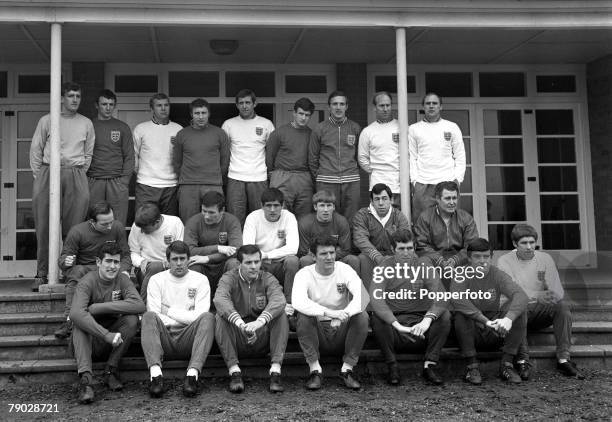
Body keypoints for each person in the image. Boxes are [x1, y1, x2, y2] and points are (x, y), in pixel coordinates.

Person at [30, 81, 95, 289]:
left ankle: (69, 273)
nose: (75, 100)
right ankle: (42, 273)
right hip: (49, 171)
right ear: (61, 98)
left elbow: (89, 153)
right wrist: (40, 175)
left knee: (74, 228)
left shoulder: (86, 123)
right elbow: (36, 150)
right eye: (71, 96)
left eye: (78, 96)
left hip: (75, 173)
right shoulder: (48, 120)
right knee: (44, 226)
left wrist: (77, 173)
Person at [497, 224, 584, 380]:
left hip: (537, 312)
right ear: (514, 244)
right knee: (519, 306)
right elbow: (512, 292)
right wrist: (537, 295)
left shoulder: (545, 258)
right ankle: (523, 360)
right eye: (524, 243)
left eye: (532, 242)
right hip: (512, 313)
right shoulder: (504, 261)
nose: (529, 247)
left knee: (562, 306)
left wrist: (550, 295)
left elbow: (557, 291)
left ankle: (564, 359)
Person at [369, 229, 451, 386]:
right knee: (376, 317)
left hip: (421, 325)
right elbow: (376, 299)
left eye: (409, 248)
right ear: (393, 249)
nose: (406, 253)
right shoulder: (384, 266)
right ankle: (392, 366)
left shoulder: (423, 263)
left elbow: (441, 296)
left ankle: (430, 365)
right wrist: (396, 324)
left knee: (445, 315)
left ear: (414, 248)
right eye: (401, 249)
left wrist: (427, 320)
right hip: (395, 325)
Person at [69, 243, 145, 404]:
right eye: (108, 261)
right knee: (79, 325)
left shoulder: (122, 279)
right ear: (98, 262)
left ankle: (111, 370)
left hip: (114, 340)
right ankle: (86, 381)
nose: (112, 266)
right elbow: (75, 313)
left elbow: (139, 305)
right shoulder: (87, 281)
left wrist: (98, 307)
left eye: (116, 262)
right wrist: (106, 335)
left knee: (131, 320)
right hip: (89, 342)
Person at [292, 236, 370, 391]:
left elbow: (363, 297)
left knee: (362, 316)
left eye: (332, 253)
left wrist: (343, 315)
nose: (329, 257)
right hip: (317, 329)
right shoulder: (303, 274)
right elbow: (298, 302)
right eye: (323, 254)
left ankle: (347, 369)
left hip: (341, 328)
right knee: (303, 316)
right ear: (313, 256)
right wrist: (331, 313)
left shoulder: (344, 269)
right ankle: (315, 370)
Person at [141, 240, 215, 398]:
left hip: (189, 337)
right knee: (148, 317)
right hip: (164, 337)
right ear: (168, 261)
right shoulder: (156, 280)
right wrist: (185, 318)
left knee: (208, 318)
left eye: (182, 259)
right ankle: (155, 376)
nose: (179, 263)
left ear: (189, 259)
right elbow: (154, 312)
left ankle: (192, 375)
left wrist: (169, 311)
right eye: (175, 259)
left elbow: (201, 315)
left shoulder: (200, 280)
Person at [451, 238, 529, 385]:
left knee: (519, 307)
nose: (482, 261)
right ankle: (471, 367)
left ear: (491, 258)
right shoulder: (461, 273)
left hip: (496, 330)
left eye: (486, 257)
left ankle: (507, 365)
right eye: (477, 257)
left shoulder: (497, 274)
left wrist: (508, 319)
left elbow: (521, 295)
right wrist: (485, 321)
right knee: (461, 313)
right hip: (472, 331)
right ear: (469, 258)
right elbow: (458, 300)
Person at [214, 245, 289, 393]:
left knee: (281, 315)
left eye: (257, 261)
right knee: (219, 317)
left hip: (261, 336)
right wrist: (242, 325)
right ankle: (234, 372)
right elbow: (220, 300)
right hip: (238, 336)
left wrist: (259, 323)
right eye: (248, 263)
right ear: (239, 264)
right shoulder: (229, 278)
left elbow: (279, 300)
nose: (254, 266)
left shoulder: (267, 278)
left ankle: (275, 371)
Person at [54, 202, 131, 339]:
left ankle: (126, 318)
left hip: (109, 267)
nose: (109, 226)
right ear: (92, 221)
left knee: (121, 273)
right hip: (86, 270)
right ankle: (69, 320)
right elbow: (63, 259)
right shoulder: (77, 231)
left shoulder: (117, 227)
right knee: (77, 272)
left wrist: (124, 270)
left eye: (111, 222)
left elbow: (125, 255)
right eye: (104, 224)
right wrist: (66, 261)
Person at [409, 92, 466, 221]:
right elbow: (411, 157)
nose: (431, 106)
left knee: (452, 224)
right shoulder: (413, 129)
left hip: (448, 182)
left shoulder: (452, 127)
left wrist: (457, 180)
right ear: (423, 107)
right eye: (428, 103)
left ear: (441, 107)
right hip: (423, 184)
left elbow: (460, 155)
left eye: (435, 103)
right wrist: (415, 181)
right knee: (422, 224)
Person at [222, 89, 275, 226]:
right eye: (241, 103)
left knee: (260, 218)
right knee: (235, 218)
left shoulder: (266, 124)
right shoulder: (228, 124)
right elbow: (223, 152)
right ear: (237, 105)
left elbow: (272, 151)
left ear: (255, 104)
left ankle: (258, 247)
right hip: (235, 176)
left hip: (259, 177)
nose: (244, 106)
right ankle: (238, 246)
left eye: (247, 102)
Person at [173, 98, 230, 223]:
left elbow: (225, 160)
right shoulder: (182, 134)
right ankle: (189, 244)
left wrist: (216, 176)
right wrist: (185, 177)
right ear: (191, 114)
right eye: (197, 113)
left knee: (215, 221)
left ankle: (213, 244)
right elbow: (177, 162)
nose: (200, 117)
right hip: (188, 185)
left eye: (203, 113)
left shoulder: (220, 133)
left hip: (213, 184)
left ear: (209, 114)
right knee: (188, 222)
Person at [308, 90, 361, 222]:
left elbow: (360, 155)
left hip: (351, 180)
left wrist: (352, 170)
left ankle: (347, 243)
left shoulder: (355, 127)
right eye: (335, 104)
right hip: (326, 180)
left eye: (342, 104)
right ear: (329, 107)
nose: (338, 107)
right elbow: (312, 157)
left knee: (352, 217)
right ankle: (330, 243)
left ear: (347, 107)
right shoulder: (320, 128)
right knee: (328, 218)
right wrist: (321, 174)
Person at [414, 180, 478, 288]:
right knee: (423, 262)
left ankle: (465, 299)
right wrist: (441, 261)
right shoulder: (425, 217)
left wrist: (454, 261)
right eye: (448, 198)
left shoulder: (466, 218)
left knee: (477, 260)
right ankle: (439, 299)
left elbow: (472, 246)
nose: (452, 202)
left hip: (459, 262)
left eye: (454, 198)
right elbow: (422, 246)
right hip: (435, 262)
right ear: (438, 199)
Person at [243, 188, 299, 305]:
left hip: (280, 263)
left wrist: (267, 255)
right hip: (260, 264)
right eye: (268, 206)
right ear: (262, 206)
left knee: (292, 261)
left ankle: (289, 304)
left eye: (276, 205)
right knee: (246, 262)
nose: (272, 210)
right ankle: (253, 302)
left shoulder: (289, 217)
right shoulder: (253, 217)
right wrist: (261, 257)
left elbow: (293, 248)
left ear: (282, 205)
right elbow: (248, 248)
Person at [87, 89, 134, 226]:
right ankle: (94, 248)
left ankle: (117, 247)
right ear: (97, 105)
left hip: (117, 181)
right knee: (95, 218)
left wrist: (124, 181)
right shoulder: (89, 125)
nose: (108, 108)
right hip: (94, 180)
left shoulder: (122, 127)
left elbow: (129, 156)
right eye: (104, 104)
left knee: (118, 219)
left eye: (111, 104)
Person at [352, 183, 411, 289]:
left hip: (392, 253)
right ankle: (371, 295)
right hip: (371, 254)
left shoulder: (398, 216)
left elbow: (405, 238)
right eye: (377, 199)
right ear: (371, 202)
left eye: (384, 199)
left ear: (391, 200)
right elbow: (360, 239)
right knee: (363, 258)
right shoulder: (362, 215)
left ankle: (398, 294)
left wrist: (391, 256)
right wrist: (377, 256)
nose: (381, 203)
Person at [184, 191, 242, 296]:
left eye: (211, 212)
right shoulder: (193, 222)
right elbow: (189, 250)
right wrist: (217, 248)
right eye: (204, 211)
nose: (206, 216)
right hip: (203, 266)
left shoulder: (232, 221)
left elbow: (236, 250)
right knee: (192, 264)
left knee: (234, 263)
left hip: (223, 265)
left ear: (222, 210)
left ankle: (232, 303)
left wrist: (208, 258)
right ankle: (196, 305)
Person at [265, 97, 315, 219]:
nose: (303, 118)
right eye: (301, 113)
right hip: (282, 175)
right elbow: (269, 156)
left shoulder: (312, 134)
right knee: (280, 214)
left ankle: (300, 239)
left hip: (304, 177)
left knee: (304, 216)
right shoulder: (279, 133)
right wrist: (273, 175)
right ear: (294, 113)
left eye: (307, 115)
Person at [133, 93, 182, 215]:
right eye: (159, 105)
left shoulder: (179, 129)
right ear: (152, 109)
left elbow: (184, 157)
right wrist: (139, 173)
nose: (163, 108)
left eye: (166, 105)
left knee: (168, 225)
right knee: (144, 222)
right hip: (146, 184)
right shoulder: (141, 128)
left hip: (171, 185)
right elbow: (134, 154)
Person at [128, 203, 184, 299]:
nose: (141, 231)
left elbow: (180, 249)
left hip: (170, 266)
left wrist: (171, 260)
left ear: (157, 221)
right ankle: (144, 306)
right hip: (145, 269)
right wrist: (141, 262)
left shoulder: (175, 223)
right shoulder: (137, 226)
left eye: (144, 228)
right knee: (155, 267)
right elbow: (133, 252)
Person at [297, 190, 359, 273]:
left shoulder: (341, 221)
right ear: (315, 207)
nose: (325, 210)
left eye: (329, 205)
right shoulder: (305, 223)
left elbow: (345, 249)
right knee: (305, 260)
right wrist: (322, 256)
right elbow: (303, 251)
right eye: (322, 206)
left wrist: (328, 256)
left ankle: (353, 286)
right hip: (314, 258)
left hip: (335, 258)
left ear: (333, 207)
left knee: (353, 259)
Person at [358, 91, 401, 208]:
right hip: (377, 183)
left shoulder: (402, 127)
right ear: (374, 108)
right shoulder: (368, 131)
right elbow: (362, 157)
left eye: (388, 105)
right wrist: (374, 171)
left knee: (398, 217)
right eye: (382, 106)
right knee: (378, 216)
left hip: (398, 184)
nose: (385, 109)